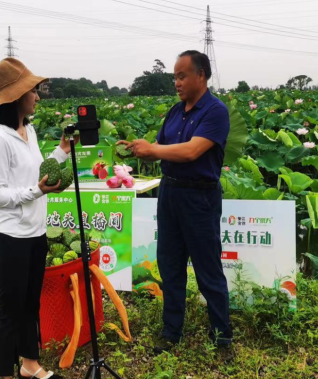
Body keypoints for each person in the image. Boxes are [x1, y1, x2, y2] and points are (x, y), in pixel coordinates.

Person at [117, 50, 233, 359]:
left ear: (201, 76)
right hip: (169, 194)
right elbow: (163, 147)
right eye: (175, 77)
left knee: (208, 269)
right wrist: (139, 150)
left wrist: (153, 150)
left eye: (182, 76)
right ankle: (171, 332)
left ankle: (222, 338)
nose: (177, 83)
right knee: (169, 265)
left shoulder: (215, 111)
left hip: (200, 197)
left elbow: (192, 151)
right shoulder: (174, 112)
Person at [0, 58, 76, 379]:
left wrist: (61, 153)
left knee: (30, 304)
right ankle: (1, 372)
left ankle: (29, 364)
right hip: (8, 237)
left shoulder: (28, 131)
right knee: (9, 311)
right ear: (17, 96)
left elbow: (35, 173)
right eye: (33, 91)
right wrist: (35, 192)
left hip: (34, 232)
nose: (38, 96)